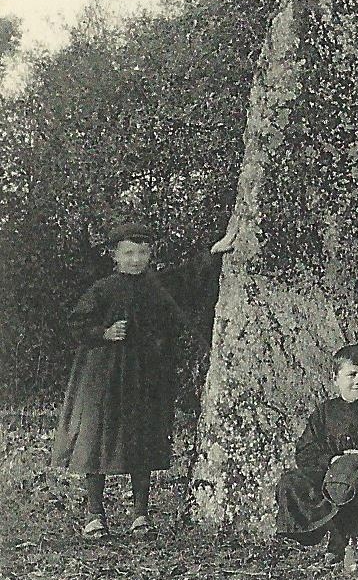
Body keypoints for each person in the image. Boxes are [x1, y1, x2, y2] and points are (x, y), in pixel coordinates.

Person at [52, 216, 233, 540]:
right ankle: (95, 514)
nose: (136, 260)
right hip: (105, 377)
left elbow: (189, 277)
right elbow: (76, 323)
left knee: (143, 439)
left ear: (151, 254)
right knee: (98, 439)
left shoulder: (157, 285)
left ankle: (140, 515)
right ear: (114, 255)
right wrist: (104, 332)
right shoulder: (103, 289)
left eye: (142, 253)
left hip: (145, 377)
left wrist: (214, 252)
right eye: (129, 253)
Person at [275, 344, 358, 573]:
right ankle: (332, 538)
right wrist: (331, 461)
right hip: (330, 477)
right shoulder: (325, 412)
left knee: (355, 478)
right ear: (336, 379)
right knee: (292, 482)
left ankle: (356, 542)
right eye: (351, 374)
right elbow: (306, 450)